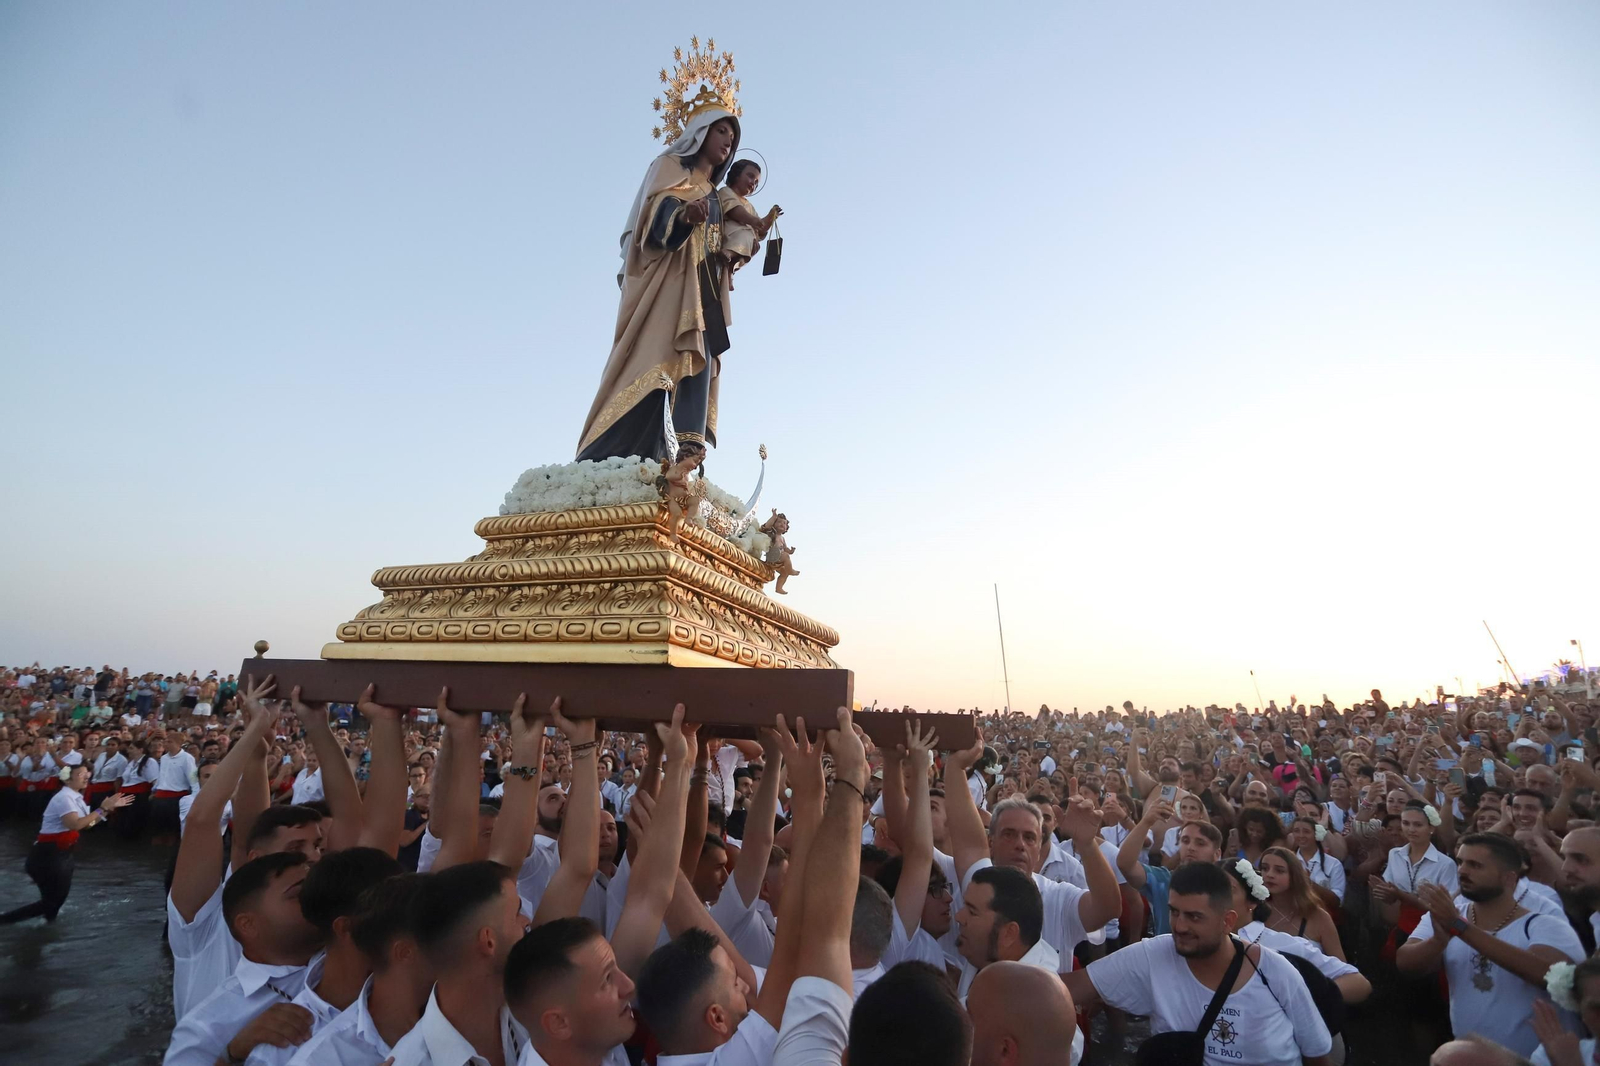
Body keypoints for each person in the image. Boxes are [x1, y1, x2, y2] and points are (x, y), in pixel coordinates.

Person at [576, 92, 741, 462]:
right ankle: (621, 449)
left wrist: (732, 258)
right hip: (669, 284)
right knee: (655, 355)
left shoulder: (717, 195)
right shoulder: (670, 168)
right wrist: (684, 217)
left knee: (699, 357)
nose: (729, 140)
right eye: (721, 130)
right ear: (700, 133)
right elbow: (653, 219)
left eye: (732, 135)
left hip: (704, 291)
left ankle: (685, 450)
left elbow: (718, 243)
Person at [1064, 862, 1333, 1066]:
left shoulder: (1276, 972)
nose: (1180, 926)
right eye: (1174, 912)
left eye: (1194, 917)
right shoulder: (1156, 954)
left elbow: (1317, 1056)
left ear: (1227, 921)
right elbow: (1067, 989)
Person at [1399, 833, 1584, 1058]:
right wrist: (1438, 941)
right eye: (1461, 862)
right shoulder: (1447, 913)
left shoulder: (1543, 924)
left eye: (1475, 865)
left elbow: (1550, 976)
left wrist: (1459, 927)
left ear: (1508, 878)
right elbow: (1406, 963)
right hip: (1472, 1056)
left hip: (1537, 1059)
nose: (1462, 871)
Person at [163, 853, 327, 1066]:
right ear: (248, 924)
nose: (320, 900)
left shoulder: (354, 952)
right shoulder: (208, 1023)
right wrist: (233, 1054)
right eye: (299, 893)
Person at [0, 764, 133, 923]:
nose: (86, 777)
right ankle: (6, 921)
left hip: (62, 854)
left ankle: (45, 929)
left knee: (54, 901)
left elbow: (87, 825)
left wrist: (106, 810)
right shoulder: (64, 798)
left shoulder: (76, 798)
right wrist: (101, 808)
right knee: (51, 902)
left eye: (87, 773)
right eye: (80, 774)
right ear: (67, 780)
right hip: (47, 856)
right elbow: (75, 824)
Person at [1257, 846, 1346, 961]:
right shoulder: (1253, 912)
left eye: (1279, 870)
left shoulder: (1318, 917)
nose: (1269, 874)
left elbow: (1342, 968)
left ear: (1294, 875)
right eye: (1264, 868)